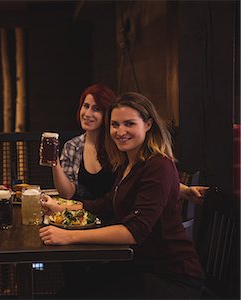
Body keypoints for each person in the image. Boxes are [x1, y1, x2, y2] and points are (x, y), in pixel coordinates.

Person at [40, 92, 204, 299]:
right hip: (140, 266)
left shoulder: (158, 166)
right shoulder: (128, 164)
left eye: (129, 124)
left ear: (148, 124)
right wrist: (61, 208)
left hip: (172, 276)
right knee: (72, 289)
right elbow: (106, 204)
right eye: (115, 124)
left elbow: (134, 231)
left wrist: (68, 236)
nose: (120, 131)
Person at [53, 83, 207, 203]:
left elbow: (146, 177)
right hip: (89, 216)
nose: (88, 114)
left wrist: (183, 190)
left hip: (116, 219)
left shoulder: (120, 143)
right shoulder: (74, 146)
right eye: (85, 106)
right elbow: (68, 193)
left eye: (97, 109)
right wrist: (54, 162)